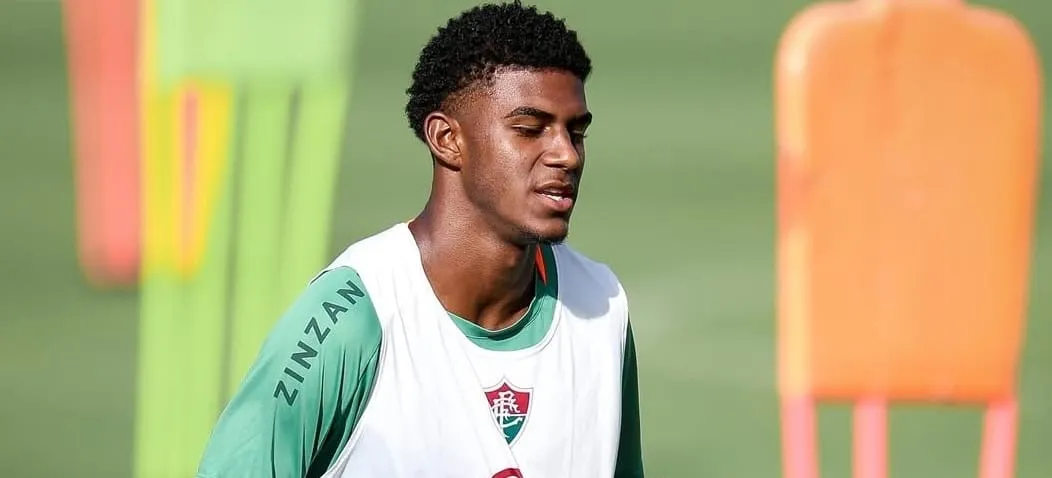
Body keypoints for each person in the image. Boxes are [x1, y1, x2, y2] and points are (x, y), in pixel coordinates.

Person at [195, 2, 643, 477]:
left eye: (576, 132)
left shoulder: (602, 307)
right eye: (530, 129)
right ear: (447, 139)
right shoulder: (352, 315)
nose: (566, 155)